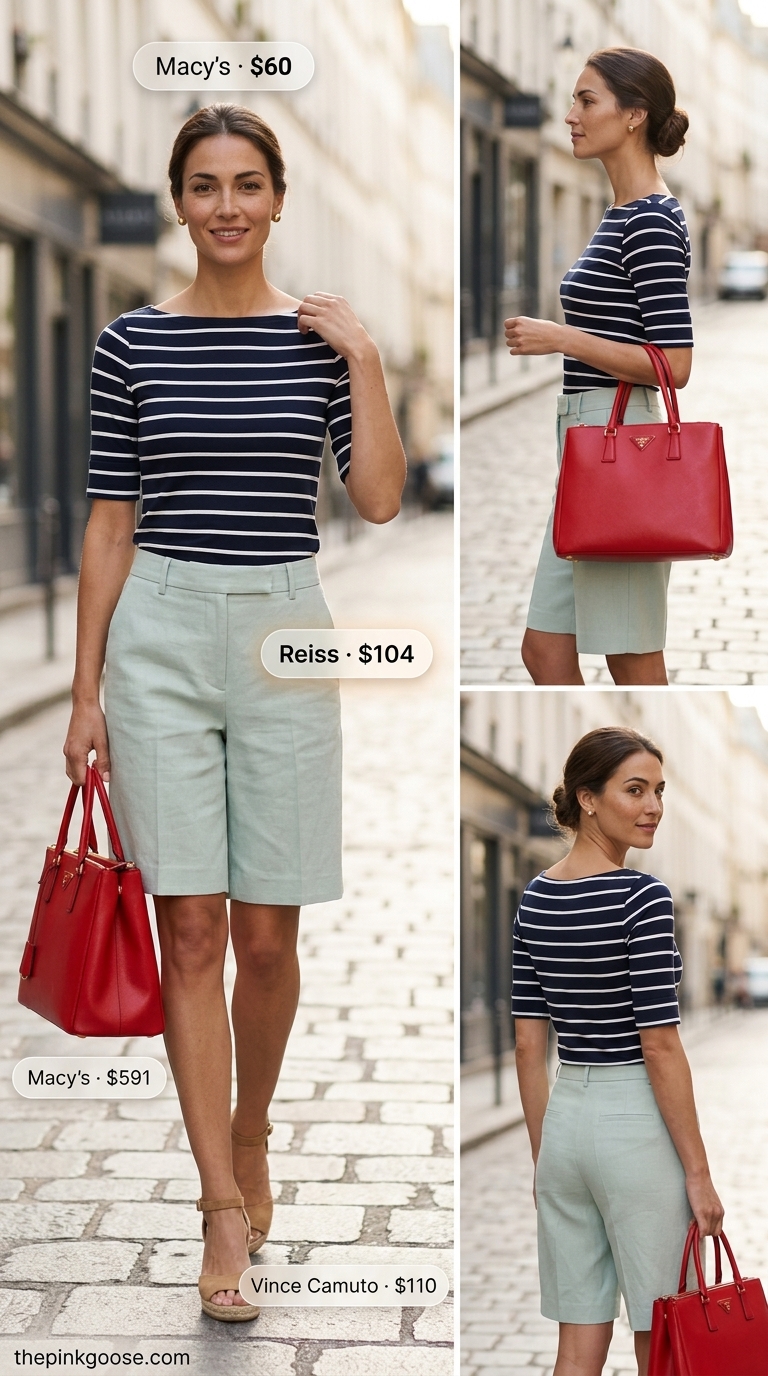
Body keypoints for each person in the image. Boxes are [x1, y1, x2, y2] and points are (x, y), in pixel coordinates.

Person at [63, 103, 406, 1321]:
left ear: (277, 197)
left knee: (268, 938)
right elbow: (109, 520)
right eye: (203, 185)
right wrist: (84, 687)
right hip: (157, 629)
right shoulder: (126, 346)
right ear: (177, 200)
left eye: (247, 184)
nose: (226, 206)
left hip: (283, 628)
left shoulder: (319, 342)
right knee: (193, 929)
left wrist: (366, 359)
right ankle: (219, 1200)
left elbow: (374, 500)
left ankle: (252, 1125)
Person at [512, 727, 723, 1376]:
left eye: (658, 790)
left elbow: (527, 1043)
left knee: (577, 1347)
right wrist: (698, 1173)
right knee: (663, 1336)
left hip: (565, 1128)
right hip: (635, 1126)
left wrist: (546, 1156)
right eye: (635, 790)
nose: (653, 805)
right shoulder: (643, 898)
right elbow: (658, 1044)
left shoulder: (535, 900)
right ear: (589, 799)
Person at [505, 49, 693, 687]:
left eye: (587, 101)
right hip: (589, 442)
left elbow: (674, 363)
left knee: (631, 655)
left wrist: (564, 338)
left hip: (624, 445)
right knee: (545, 648)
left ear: (634, 115)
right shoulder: (620, 215)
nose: (570, 116)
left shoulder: (651, 223)